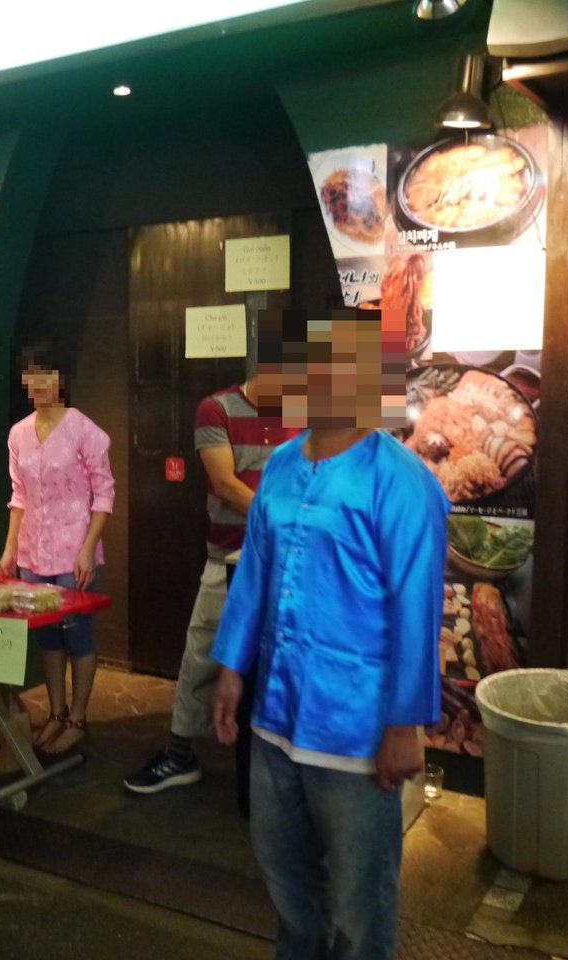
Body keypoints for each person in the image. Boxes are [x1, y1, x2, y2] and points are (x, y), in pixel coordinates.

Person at [210, 312, 448, 960]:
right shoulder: (282, 466)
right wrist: (230, 670)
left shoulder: (402, 481)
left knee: (358, 899)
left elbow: (417, 606)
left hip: (356, 733)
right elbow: (255, 574)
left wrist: (406, 723)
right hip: (276, 716)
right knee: (284, 876)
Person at [124, 373, 299, 794]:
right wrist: (286, 520)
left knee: (287, 657)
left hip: (291, 559)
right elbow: (224, 484)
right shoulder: (216, 408)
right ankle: (179, 755)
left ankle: (286, 767)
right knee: (203, 653)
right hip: (229, 555)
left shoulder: (302, 409)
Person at [0, 343, 114, 755]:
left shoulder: (84, 429)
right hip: (33, 552)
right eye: (31, 373)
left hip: (73, 552)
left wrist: (88, 548)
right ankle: (57, 713)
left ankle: (78, 719)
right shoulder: (19, 433)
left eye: (46, 373)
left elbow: (104, 495)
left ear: (62, 378)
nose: (38, 382)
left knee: (77, 634)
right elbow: (19, 496)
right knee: (47, 636)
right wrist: (10, 549)